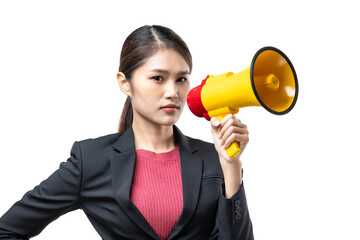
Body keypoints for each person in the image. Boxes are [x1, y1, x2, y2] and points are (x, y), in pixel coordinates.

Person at [0, 25, 254, 239]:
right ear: (125, 83)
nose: (172, 93)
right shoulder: (90, 160)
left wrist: (231, 166)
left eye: (181, 79)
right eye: (158, 78)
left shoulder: (214, 158)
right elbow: (7, 231)